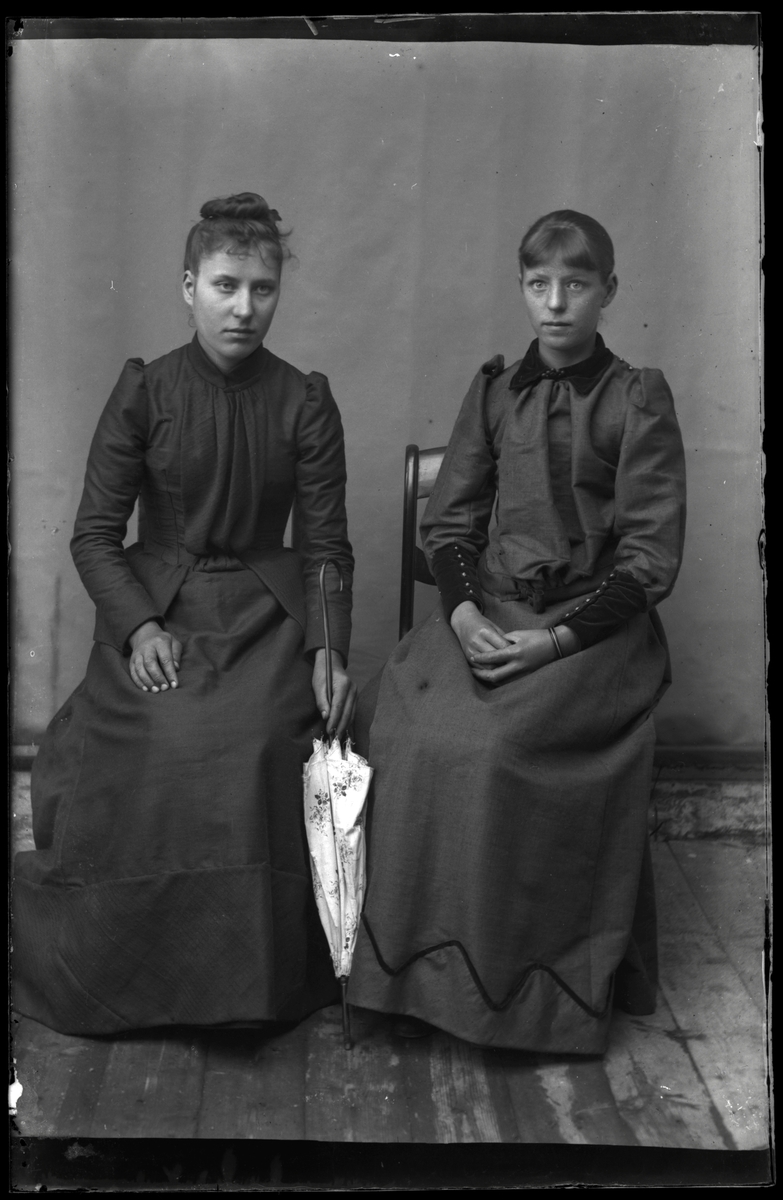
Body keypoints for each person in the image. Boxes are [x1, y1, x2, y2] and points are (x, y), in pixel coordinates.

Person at [14, 193, 356, 1036]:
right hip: (160, 609)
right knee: (164, 741)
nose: (243, 308)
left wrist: (328, 648)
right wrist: (138, 627)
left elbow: (324, 547)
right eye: (224, 285)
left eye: (262, 289)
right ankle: (132, 970)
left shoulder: (305, 400)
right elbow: (95, 535)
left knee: (254, 743)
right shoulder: (146, 390)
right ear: (188, 287)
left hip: (268, 618)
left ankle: (253, 985)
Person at [348, 210, 686, 1055]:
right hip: (489, 613)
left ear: (608, 291)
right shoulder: (496, 391)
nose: (556, 303)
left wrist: (556, 640)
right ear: (522, 290)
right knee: (411, 733)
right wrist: (464, 615)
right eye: (539, 285)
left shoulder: (635, 397)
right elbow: (448, 525)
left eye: (576, 284)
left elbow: (649, 559)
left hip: (591, 634)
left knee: (496, 749)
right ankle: (408, 982)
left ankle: (517, 993)